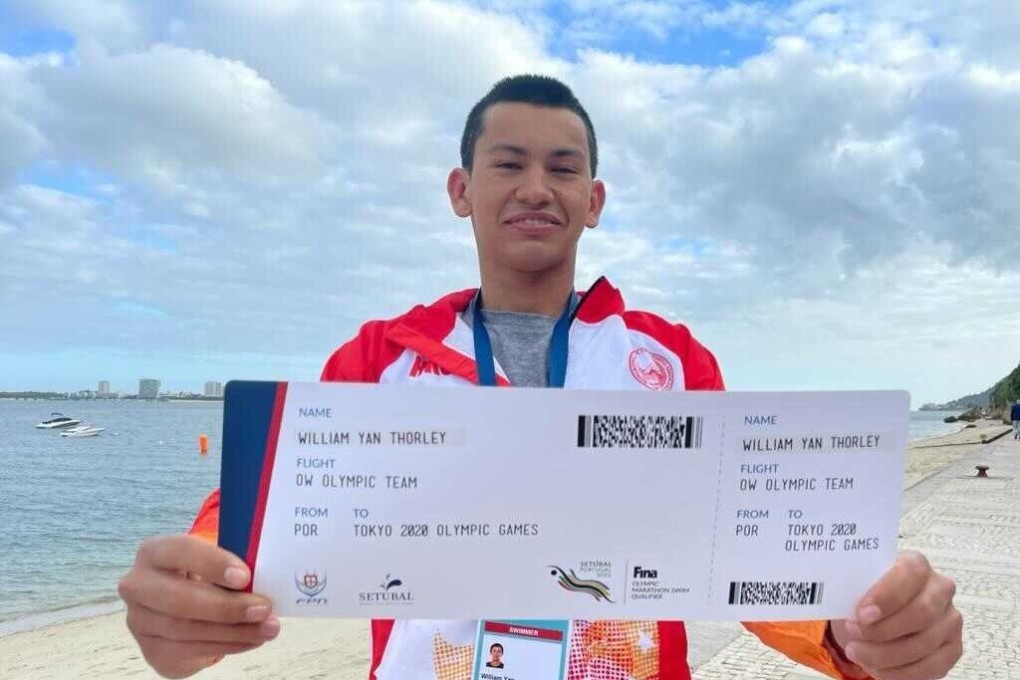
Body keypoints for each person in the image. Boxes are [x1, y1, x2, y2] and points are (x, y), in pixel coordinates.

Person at [119, 75, 963, 680]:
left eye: (563, 169)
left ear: (593, 200)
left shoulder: (670, 362)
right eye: (508, 163)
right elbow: (266, 516)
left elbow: (740, 541)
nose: (536, 188)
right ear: (461, 189)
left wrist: (852, 634)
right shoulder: (381, 359)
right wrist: (192, 588)